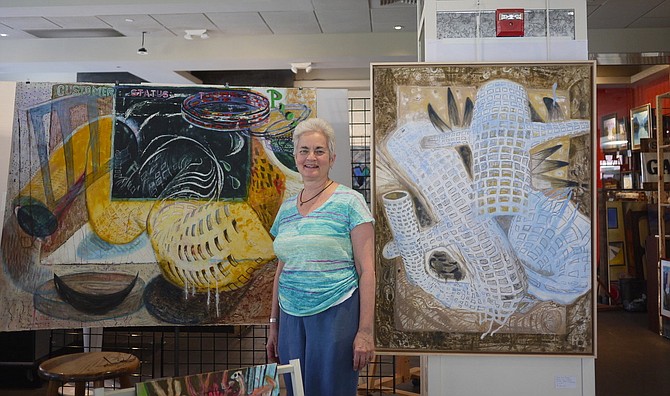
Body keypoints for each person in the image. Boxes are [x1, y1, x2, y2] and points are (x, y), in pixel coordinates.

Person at [266, 118, 376, 395]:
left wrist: (365, 331)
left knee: (332, 389)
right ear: (295, 157)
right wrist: (274, 323)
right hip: (291, 316)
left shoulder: (350, 202)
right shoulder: (288, 207)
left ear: (331, 158)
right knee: (296, 389)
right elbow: (282, 269)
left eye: (319, 150)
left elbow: (367, 271)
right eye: (304, 150)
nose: (310, 157)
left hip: (336, 312)